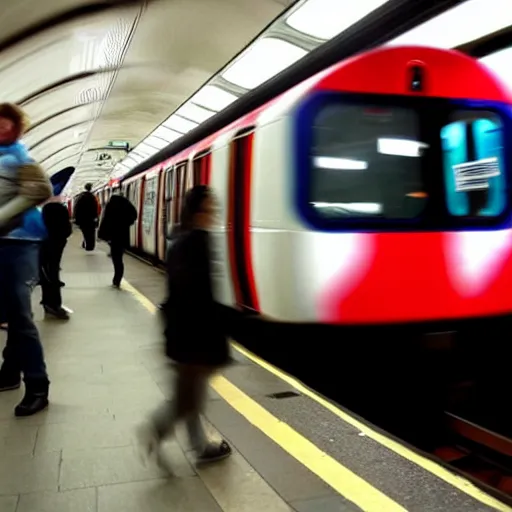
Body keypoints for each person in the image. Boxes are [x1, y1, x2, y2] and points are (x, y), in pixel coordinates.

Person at [137, 185, 232, 466]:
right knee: (188, 397)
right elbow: (197, 293)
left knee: (190, 392)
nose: (213, 213)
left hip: (182, 330)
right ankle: (159, 430)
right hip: (192, 333)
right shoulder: (197, 242)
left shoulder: (181, 238)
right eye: (209, 208)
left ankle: (199, 444)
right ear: (197, 211)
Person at [0, 103, 53, 417]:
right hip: (3, 242)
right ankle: (9, 373)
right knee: (8, 311)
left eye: (5, 124)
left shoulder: (21, 157)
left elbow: (41, 189)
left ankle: (38, 386)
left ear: (17, 127)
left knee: (19, 314)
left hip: (21, 242)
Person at [40, 197, 72, 319]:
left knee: (47, 274)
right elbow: (68, 229)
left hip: (45, 243)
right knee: (53, 273)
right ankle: (53, 305)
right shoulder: (61, 209)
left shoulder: (45, 210)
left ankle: (49, 303)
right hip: (58, 243)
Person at [98, 190, 137, 288]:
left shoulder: (110, 205)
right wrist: (127, 224)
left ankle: (116, 280)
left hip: (113, 237)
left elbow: (105, 220)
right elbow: (134, 216)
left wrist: (102, 235)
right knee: (119, 258)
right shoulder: (127, 204)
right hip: (123, 235)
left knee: (116, 259)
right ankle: (117, 279)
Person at [74, 183, 98, 251]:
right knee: (91, 233)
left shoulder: (81, 197)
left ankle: (87, 244)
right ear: (90, 188)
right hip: (91, 219)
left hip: (83, 219)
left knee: (86, 232)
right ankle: (90, 246)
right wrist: (95, 217)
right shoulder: (93, 197)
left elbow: (77, 208)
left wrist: (77, 219)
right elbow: (95, 208)